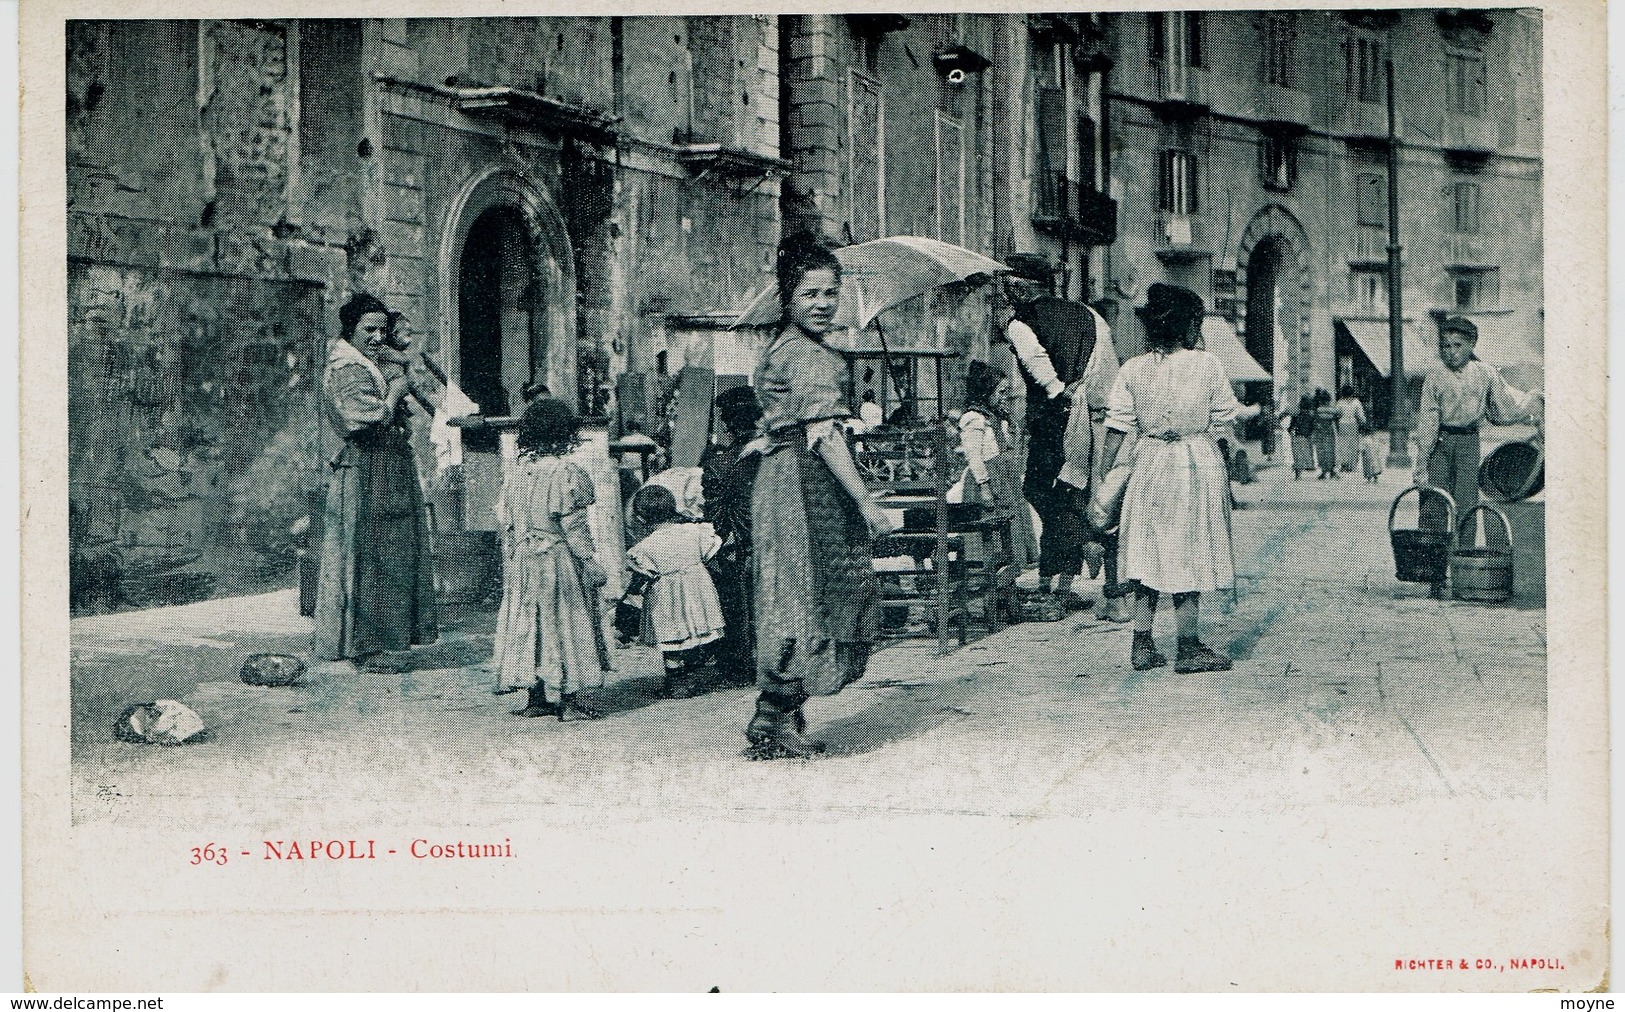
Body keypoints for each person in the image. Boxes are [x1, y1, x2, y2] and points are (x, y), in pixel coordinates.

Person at [747, 232, 895, 759]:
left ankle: (777, 714)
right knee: (804, 594)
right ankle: (778, 720)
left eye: (830, 293)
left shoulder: (787, 348)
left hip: (783, 477)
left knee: (791, 591)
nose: (823, 304)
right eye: (810, 294)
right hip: (801, 484)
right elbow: (824, 435)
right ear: (788, 298)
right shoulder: (810, 356)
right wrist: (867, 503)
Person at [1094, 283, 1253, 674]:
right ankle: (1188, 646)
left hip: (1147, 462)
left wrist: (1103, 476)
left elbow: (1116, 426)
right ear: (1188, 325)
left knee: (1148, 552)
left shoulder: (1133, 368)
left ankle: (1142, 644)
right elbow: (1224, 416)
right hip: (1193, 462)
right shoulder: (1206, 364)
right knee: (1190, 550)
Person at [313, 293, 438, 671]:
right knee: (373, 555)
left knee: (390, 551)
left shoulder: (369, 362)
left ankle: (382, 640)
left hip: (384, 465)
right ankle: (368, 647)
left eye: (383, 329)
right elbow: (359, 417)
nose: (378, 337)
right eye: (369, 329)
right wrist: (398, 390)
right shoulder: (349, 368)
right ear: (349, 330)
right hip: (370, 468)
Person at [997, 256, 1118, 610]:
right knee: (1075, 494)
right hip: (1091, 421)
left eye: (1008, 283)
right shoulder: (1089, 315)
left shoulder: (1020, 324)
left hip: (1053, 421)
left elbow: (1037, 364)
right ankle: (1062, 571)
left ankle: (1065, 573)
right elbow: (1107, 365)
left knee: (1043, 492)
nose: (1005, 291)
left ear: (1023, 285)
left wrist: (1056, 391)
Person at [491, 397, 610, 720]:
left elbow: (506, 518)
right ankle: (569, 699)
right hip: (556, 558)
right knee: (564, 622)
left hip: (524, 560)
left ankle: (536, 697)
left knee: (531, 623)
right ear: (566, 434)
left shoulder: (517, 473)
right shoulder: (566, 473)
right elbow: (574, 525)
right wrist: (590, 562)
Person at [1413, 316, 1543, 592]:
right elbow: (1427, 418)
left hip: (1469, 443)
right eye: (1445, 346)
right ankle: (1434, 575)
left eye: (1457, 345)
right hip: (1439, 442)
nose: (1450, 352)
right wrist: (1422, 463)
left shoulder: (1485, 373)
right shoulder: (1434, 375)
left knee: (1466, 506)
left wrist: (1532, 405)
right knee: (1434, 503)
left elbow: (1504, 407)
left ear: (1471, 345)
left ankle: (1462, 572)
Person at [626, 484, 727, 699]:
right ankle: (693, 677)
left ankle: (677, 683)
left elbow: (644, 574)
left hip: (667, 598)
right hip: (698, 591)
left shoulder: (645, 547)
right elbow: (711, 554)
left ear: (642, 519)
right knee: (695, 632)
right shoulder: (696, 532)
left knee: (671, 640)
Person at [701, 385, 765, 685]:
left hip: (740, 549)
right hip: (782, 543)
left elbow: (715, 519)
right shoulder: (780, 458)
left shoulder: (718, 464)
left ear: (727, 423)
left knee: (738, 606)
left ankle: (742, 664)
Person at [954, 361, 1038, 568]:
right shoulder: (973, 418)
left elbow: (1005, 448)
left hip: (1004, 478)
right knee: (990, 524)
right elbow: (974, 456)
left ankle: (1009, 574)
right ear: (986, 392)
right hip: (988, 481)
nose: (1005, 397)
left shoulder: (996, 418)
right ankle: (987, 573)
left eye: (1006, 392)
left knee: (1012, 522)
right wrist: (984, 487)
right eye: (1001, 392)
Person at [1334, 386, 1367, 473]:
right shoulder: (1356, 402)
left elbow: (1337, 414)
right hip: (1353, 424)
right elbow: (1361, 416)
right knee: (1353, 444)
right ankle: (1352, 465)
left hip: (1342, 424)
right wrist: (1363, 423)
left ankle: (1344, 464)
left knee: (1343, 444)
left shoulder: (1340, 402)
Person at [1312, 388, 1339, 479]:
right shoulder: (1332, 410)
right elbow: (1338, 415)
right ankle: (1331, 470)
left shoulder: (1318, 410)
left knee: (1321, 451)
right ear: (1329, 400)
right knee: (1331, 450)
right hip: (1330, 432)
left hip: (1320, 433)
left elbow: (1315, 421)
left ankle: (1323, 471)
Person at [1287, 395, 1316, 479]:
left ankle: (1297, 473)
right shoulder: (1311, 416)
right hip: (1306, 437)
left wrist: (1290, 431)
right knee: (1305, 453)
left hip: (1296, 435)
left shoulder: (1296, 414)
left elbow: (1291, 426)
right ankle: (1307, 466)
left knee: (1296, 455)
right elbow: (1312, 427)